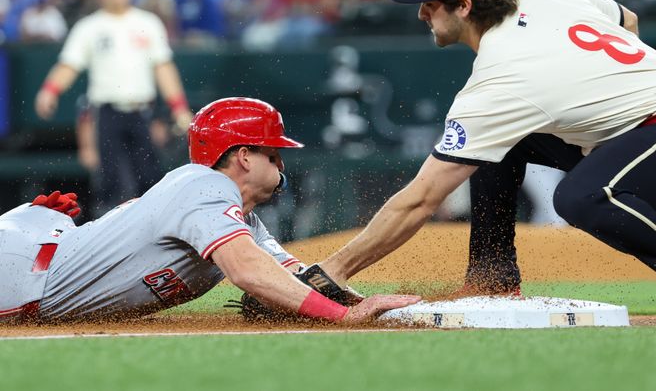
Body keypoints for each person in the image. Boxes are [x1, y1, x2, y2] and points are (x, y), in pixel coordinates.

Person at [310, 0, 656, 324]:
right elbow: (628, 21)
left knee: (580, 196)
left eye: (429, 2)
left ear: (463, 6)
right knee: (498, 146)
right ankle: (493, 280)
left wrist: (333, 271)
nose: (421, 13)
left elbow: (422, 198)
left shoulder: (499, 80)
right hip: (633, 129)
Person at [0, 97, 418, 324]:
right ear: (243, 157)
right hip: (21, 276)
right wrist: (345, 316)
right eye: (273, 152)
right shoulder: (204, 187)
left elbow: (291, 276)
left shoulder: (241, 219)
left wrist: (363, 303)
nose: (282, 163)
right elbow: (249, 273)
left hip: (41, 266)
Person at [34, 0, 194, 215]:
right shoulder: (90, 26)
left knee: (150, 182)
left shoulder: (148, 22)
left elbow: (164, 68)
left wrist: (179, 107)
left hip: (143, 112)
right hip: (107, 113)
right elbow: (69, 64)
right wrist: (49, 90)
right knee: (110, 185)